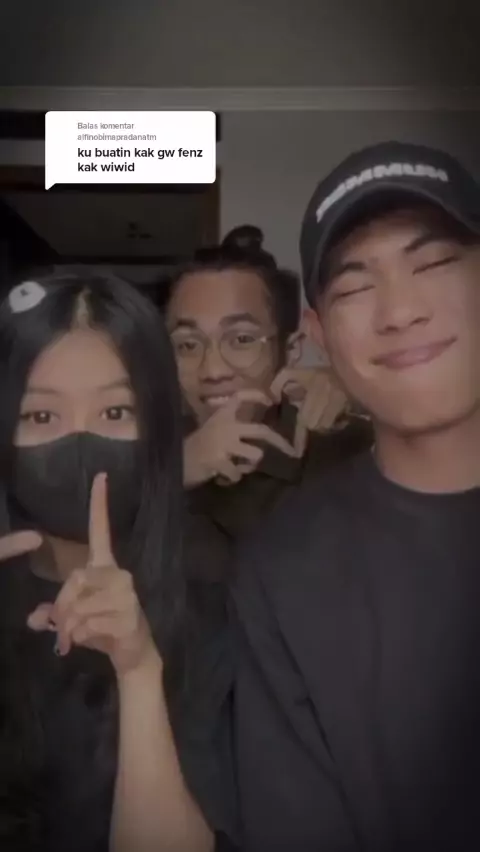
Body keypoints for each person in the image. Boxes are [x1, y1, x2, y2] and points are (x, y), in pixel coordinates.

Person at [230, 141, 480, 851]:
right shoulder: (282, 570)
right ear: (316, 335)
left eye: (433, 263)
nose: (400, 311)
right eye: (354, 288)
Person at [0, 272, 231, 852]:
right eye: (41, 417)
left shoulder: (216, 600)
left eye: (115, 412)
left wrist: (137, 668)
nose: (81, 444)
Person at [159, 232, 371, 559]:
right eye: (187, 345)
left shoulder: (351, 450)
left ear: (291, 349)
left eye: (242, 339)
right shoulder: (145, 455)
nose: (212, 370)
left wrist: (365, 391)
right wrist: (177, 472)